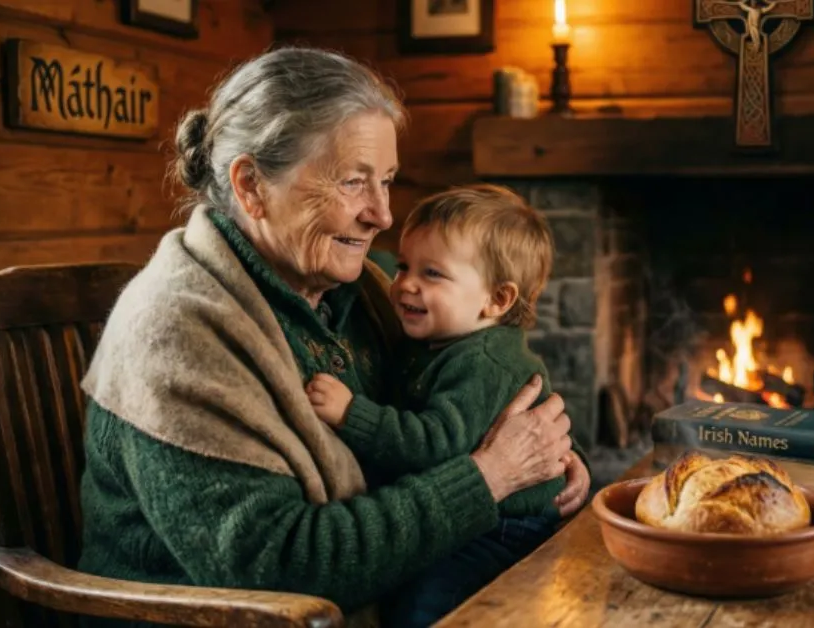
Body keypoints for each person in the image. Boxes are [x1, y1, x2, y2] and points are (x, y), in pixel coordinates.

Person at [75, 46, 591, 627]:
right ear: (250, 187)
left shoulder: (359, 286)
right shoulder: (176, 339)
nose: (382, 215)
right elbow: (282, 570)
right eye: (353, 182)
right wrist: (492, 477)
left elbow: (467, 388)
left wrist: (544, 462)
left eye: (387, 182)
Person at [305, 184, 576, 627]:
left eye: (433, 274)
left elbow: (437, 444)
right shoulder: (440, 338)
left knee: (424, 608)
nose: (406, 284)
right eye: (406, 266)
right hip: (475, 514)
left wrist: (353, 414)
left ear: (497, 299)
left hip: (504, 526)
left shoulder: (483, 362)